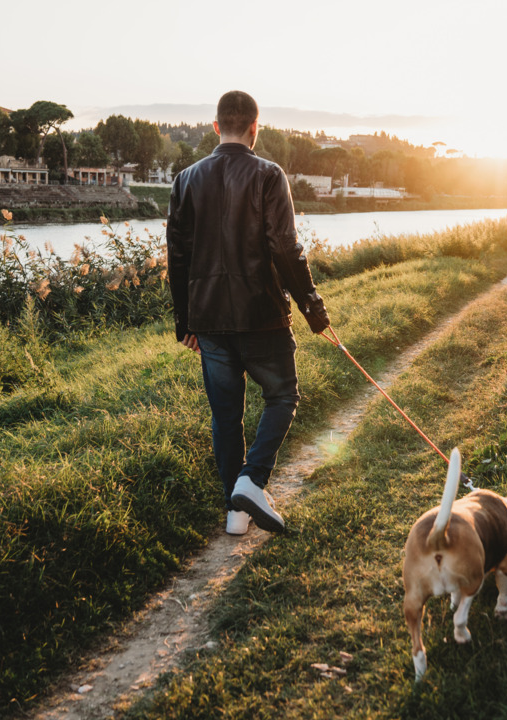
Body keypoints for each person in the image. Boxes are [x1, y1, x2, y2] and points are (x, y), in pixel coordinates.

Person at [166, 90, 330, 535]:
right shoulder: (269, 174)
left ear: (216, 126)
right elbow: (285, 249)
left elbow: (176, 257)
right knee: (282, 396)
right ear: (255, 128)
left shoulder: (184, 180)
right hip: (261, 316)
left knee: (226, 416)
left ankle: (235, 513)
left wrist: (186, 323)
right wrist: (313, 309)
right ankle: (252, 481)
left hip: (210, 323)